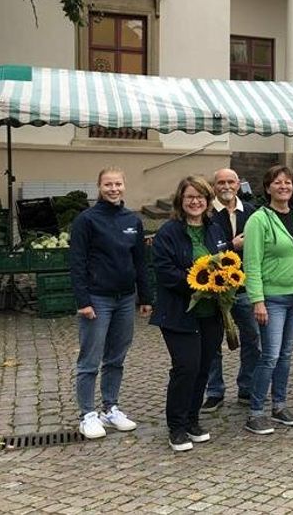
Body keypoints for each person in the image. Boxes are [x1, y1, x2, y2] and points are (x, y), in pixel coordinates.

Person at [70, 167, 151, 440]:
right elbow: (77, 263)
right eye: (108, 184)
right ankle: (86, 414)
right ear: (99, 186)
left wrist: (146, 297)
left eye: (118, 184)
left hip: (125, 298)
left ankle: (110, 407)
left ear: (124, 186)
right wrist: (83, 301)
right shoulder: (86, 220)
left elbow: (140, 260)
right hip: (97, 299)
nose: (113, 189)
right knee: (90, 360)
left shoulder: (132, 220)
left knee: (116, 357)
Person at [151, 176, 230, 452]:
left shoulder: (215, 229)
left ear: (208, 201)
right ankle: (176, 426)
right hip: (179, 313)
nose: (195, 202)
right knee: (185, 367)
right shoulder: (169, 232)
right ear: (180, 201)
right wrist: (199, 282)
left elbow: (229, 259)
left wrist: (226, 281)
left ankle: (192, 419)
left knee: (203, 368)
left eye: (200, 197)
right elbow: (164, 271)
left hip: (211, 313)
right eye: (190, 197)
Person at [243, 165, 293, 436]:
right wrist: (257, 300)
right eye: (277, 182)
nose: (283, 186)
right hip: (272, 298)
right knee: (270, 355)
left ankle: (279, 404)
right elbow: (251, 262)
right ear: (268, 188)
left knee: (286, 355)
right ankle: (255, 411)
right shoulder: (258, 219)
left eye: (288, 182)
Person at [201, 168, 261, 413]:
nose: (226, 186)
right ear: (213, 186)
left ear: (238, 185)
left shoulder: (252, 212)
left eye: (231, 182)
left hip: (245, 286)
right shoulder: (205, 213)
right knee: (212, 342)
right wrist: (232, 246)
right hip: (213, 287)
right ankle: (214, 391)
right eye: (220, 182)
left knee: (253, 339)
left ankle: (246, 387)